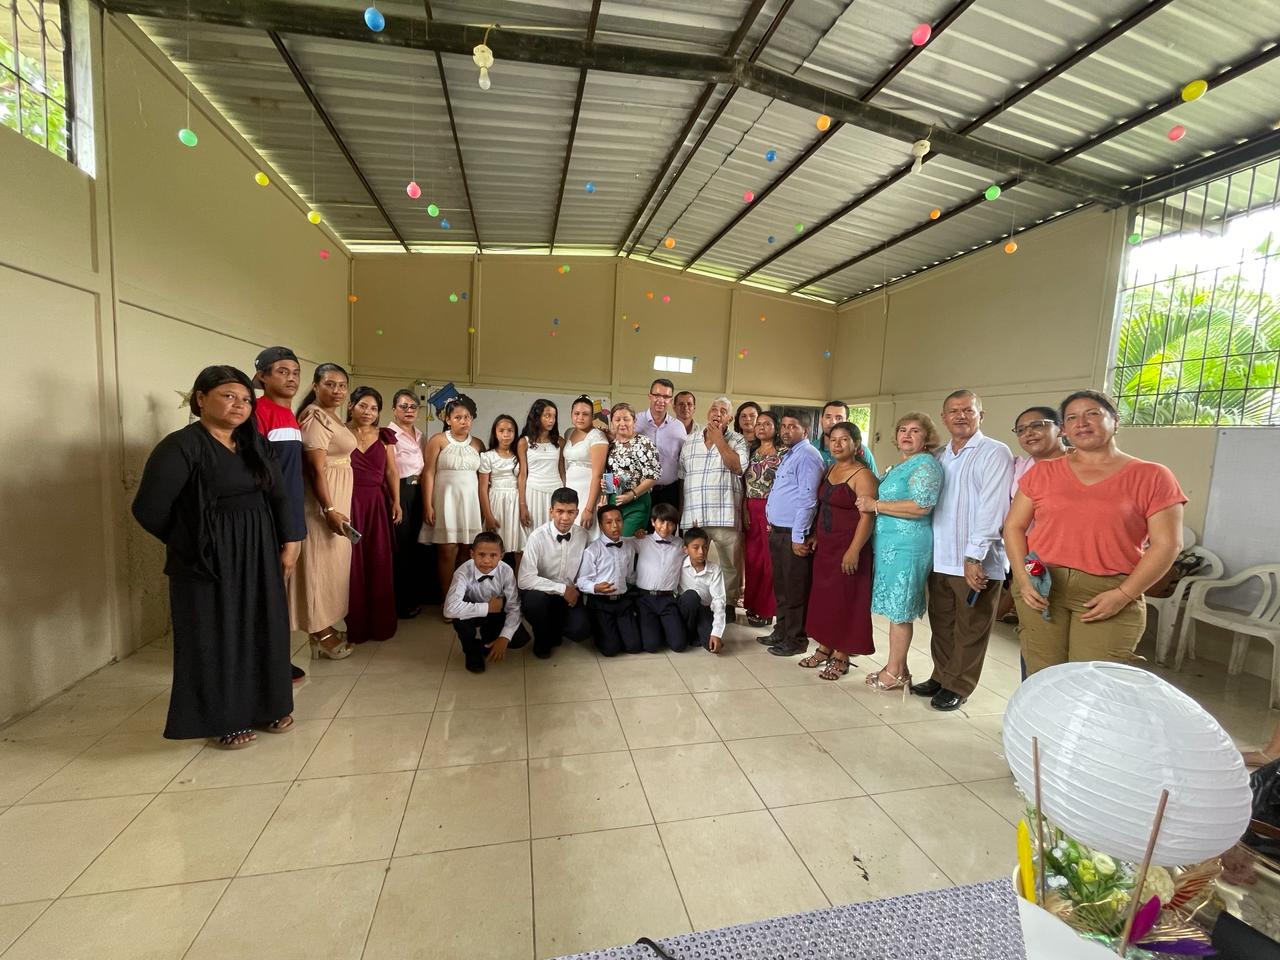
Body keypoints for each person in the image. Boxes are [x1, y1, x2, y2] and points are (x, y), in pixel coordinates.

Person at [132, 366, 294, 748]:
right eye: (228, 396)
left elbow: (279, 495)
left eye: (246, 399)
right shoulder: (181, 446)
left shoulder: (253, 443)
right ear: (201, 399)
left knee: (263, 625)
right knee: (216, 633)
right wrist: (195, 542)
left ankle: (268, 704)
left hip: (258, 549)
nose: (239, 405)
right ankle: (224, 717)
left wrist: (290, 541)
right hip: (207, 558)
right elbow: (148, 509)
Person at [1004, 390, 1186, 675]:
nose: (1082, 423)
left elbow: (1168, 544)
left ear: (1115, 420)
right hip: (1043, 582)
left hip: (1108, 589)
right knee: (1042, 676)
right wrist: (1023, 577)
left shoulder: (1152, 475)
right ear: (1064, 430)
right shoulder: (1043, 472)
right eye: (1072, 418)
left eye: (1093, 414)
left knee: (1091, 680)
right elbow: (1014, 526)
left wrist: (1124, 594)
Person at [910, 390, 1014, 711]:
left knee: (971, 626)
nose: (960, 416)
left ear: (981, 415)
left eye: (968, 410)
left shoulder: (994, 452)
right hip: (940, 557)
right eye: (953, 411)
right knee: (942, 623)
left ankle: (959, 684)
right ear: (944, 418)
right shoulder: (940, 455)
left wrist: (974, 555)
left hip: (976, 561)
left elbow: (993, 509)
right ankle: (941, 675)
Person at [856, 413, 945, 693]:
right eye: (902, 430)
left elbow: (922, 507)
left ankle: (894, 672)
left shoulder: (926, 465)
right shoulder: (905, 465)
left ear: (926, 437)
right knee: (896, 609)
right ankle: (899, 668)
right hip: (890, 546)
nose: (907, 435)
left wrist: (875, 506)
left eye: (915, 431)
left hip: (908, 547)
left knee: (900, 610)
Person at [801, 423, 879, 680]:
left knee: (846, 600)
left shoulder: (863, 475)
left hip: (849, 547)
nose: (836, 444)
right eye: (832, 439)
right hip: (826, 546)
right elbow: (824, 506)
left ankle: (842, 654)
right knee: (826, 599)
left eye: (844, 439)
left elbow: (867, 516)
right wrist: (815, 534)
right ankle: (824, 647)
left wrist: (854, 550)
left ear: (856, 444)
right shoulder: (831, 468)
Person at [292, 362, 357, 660]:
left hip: (337, 496)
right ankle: (319, 633)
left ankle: (325, 624)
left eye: (342, 385)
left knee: (333, 564)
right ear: (315, 386)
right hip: (322, 502)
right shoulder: (314, 416)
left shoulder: (332, 416)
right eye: (330, 384)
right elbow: (315, 468)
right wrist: (328, 508)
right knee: (318, 565)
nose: (337, 390)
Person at [251, 345, 307, 683]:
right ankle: (266, 665)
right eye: (282, 372)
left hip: (290, 516)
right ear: (262, 376)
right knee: (267, 595)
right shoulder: (258, 412)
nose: (291, 378)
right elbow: (260, 474)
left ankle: (273, 660)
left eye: (295, 372)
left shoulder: (288, 414)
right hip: (270, 518)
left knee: (277, 594)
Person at [762, 409, 825, 657]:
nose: (786, 431)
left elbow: (808, 498)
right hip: (779, 530)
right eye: (784, 426)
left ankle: (796, 639)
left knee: (795, 589)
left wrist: (798, 536)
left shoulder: (808, 456)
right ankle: (781, 630)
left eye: (793, 427)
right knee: (781, 586)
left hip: (793, 534)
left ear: (805, 431)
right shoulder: (790, 454)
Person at [999, 406, 1069, 625]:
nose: (1028, 433)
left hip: (1068, 560)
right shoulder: (1020, 467)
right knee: (1037, 621)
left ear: (1061, 429)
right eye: (1021, 430)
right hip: (1030, 557)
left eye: (1038, 425)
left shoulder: (1078, 465)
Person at [678, 395, 747, 617]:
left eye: (723, 411)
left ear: (730, 419)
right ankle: (695, 601)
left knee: (730, 565)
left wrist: (719, 440)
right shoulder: (690, 441)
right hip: (695, 514)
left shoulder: (738, 440)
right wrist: (682, 513)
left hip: (725, 514)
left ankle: (728, 604)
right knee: (693, 562)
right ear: (707, 412)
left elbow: (737, 467)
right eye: (714, 409)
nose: (717, 414)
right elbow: (682, 478)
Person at [345, 386, 400, 644]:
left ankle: (381, 624)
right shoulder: (340, 433)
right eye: (363, 406)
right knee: (351, 562)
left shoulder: (384, 436)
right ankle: (355, 624)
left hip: (377, 503)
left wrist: (396, 501)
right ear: (351, 406)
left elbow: (391, 471)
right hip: (348, 502)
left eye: (374, 408)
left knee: (378, 558)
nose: (368, 412)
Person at [420, 394, 485, 602]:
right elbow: (428, 472)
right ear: (448, 419)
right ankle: (448, 600)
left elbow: (482, 479)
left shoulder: (478, 444)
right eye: (458, 417)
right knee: (447, 551)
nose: (463, 421)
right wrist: (427, 505)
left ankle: (462, 597)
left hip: (470, 503)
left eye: (467, 417)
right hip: (444, 501)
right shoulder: (438, 440)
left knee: (467, 551)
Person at [518, 487, 592, 658]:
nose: (565, 518)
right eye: (559, 511)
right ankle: (542, 636)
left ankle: (555, 628)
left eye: (570, 512)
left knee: (581, 630)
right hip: (542, 594)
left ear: (577, 513)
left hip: (569, 596)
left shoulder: (583, 536)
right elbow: (524, 579)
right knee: (534, 602)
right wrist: (561, 589)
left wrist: (575, 589)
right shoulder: (537, 537)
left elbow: (586, 570)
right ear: (551, 511)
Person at [443, 531, 530, 673]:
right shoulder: (462, 572)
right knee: (459, 619)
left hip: (496, 612)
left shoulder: (506, 571)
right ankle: (471, 651)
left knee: (519, 639)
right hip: (472, 612)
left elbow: (514, 607)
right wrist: (487, 607)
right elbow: (449, 609)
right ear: (472, 554)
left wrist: (504, 637)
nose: (486, 561)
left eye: (493, 555)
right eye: (481, 554)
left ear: (501, 556)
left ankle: (485, 643)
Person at [575, 504, 640, 656]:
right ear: (601, 525)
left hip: (622, 602)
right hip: (600, 603)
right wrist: (596, 587)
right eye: (609, 522)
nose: (615, 526)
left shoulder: (629, 546)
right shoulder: (592, 550)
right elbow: (582, 581)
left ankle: (619, 629)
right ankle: (599, 628)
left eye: (618, 520)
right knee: (610, 649)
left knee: (634, 646)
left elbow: (630, 575)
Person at [387, 389, 429, 619]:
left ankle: (414, 596)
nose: (409, 410)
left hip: (418, 491)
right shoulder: (388, 434)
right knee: (401, 547)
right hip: (400, 491)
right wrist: (396, 501)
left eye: (413, 406)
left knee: (416, 545)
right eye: (404, 406)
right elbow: (390, 470)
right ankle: (399, 603)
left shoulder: (420, 434)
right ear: (394, 409)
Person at [742, 410, 781, 628]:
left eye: (767, 423)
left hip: (772, 509)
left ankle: (767, 609)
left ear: (776, 428)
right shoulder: (750, 451)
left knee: (769, 560)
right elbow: (742, 483)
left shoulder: (784, 453)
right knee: (752, 559)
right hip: (750, 507)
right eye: (759, 424)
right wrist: (744, 509)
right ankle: (752, 604)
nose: (762, 427)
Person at [633, 502, 688, 652]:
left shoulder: (680, 544)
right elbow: (621, 544)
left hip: (668, 599)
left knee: (679, 645)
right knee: (651, 646)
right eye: (661, 521)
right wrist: (635, 533)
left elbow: (693, 553)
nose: (665, 527)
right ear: (653, 522)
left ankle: (666, 628)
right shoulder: (642, 541)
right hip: (645, 599)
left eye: (671, 523)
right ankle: (656, 629)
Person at [603, 402, 660, 536]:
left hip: (637, 501)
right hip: (614, 502)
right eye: (617, 420)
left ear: (634, 421)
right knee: (613, 540)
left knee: (626, 540)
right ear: (612, 423)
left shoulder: (644, 443)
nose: (622, 423)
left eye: (626, 419)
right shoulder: (611, 445)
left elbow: (653, 476)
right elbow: (610, 473)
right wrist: (606, 488)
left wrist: (632, 495)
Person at [635, 378, 687, 515]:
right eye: (657, 395)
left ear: (671, 400)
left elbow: (684, 459)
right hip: (640, 491)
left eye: (666, 397)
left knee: (667, 529)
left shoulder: (678, 427)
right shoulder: (635, 422)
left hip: (669, 492)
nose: (661, 400)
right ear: (650, 396)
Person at [479, 414, 525, 565]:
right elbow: (482, 488)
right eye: (501, 430)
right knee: (494, 546)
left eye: (510, 431)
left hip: (516, 501)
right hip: (496, 501)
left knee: (519, 548)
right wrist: (488, 516)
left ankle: (517, 580)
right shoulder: (488, 456)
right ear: (495, 433)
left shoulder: (519, 455)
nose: (506, 434)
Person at [561, 396, 608, 532]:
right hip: (570, 488)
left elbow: (598, 475)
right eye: (577, 413)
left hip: (588, 490)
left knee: (585, 530)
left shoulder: (597, 436)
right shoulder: (569, 432)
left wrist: (589, 509)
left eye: (585, 414)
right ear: (571, 414)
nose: (580, 418)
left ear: (592, 416)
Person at [518, 399, 564, 534]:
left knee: (555, 533)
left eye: (554, 416)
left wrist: (565, 493)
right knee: (534, 533)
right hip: (533, 492)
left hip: (556, 491)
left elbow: (562, 470)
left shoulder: (560, 442)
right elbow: (522, 474)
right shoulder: (524, 442)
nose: (551, 420)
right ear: (537, 417)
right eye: (547, 416)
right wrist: (522, 504)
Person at [678, 527, 726, 653]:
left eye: (705, 547)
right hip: (685, 609)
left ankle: (698, 633)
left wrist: (717, 633)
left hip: (704, 610)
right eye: (695, 547)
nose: (701, 552)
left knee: (711, 646)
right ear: (685, 549)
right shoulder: (679, 565)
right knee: (691, 596)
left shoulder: (715, 569)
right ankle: (688, 633)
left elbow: (719, 601)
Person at [818, 400, 877, 474]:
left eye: (838, 418)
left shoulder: (862, 451)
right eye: (828, 417)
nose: (833, 422)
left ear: (847, 421)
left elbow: (874, 479)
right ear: (821, 420)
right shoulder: (811, 449)